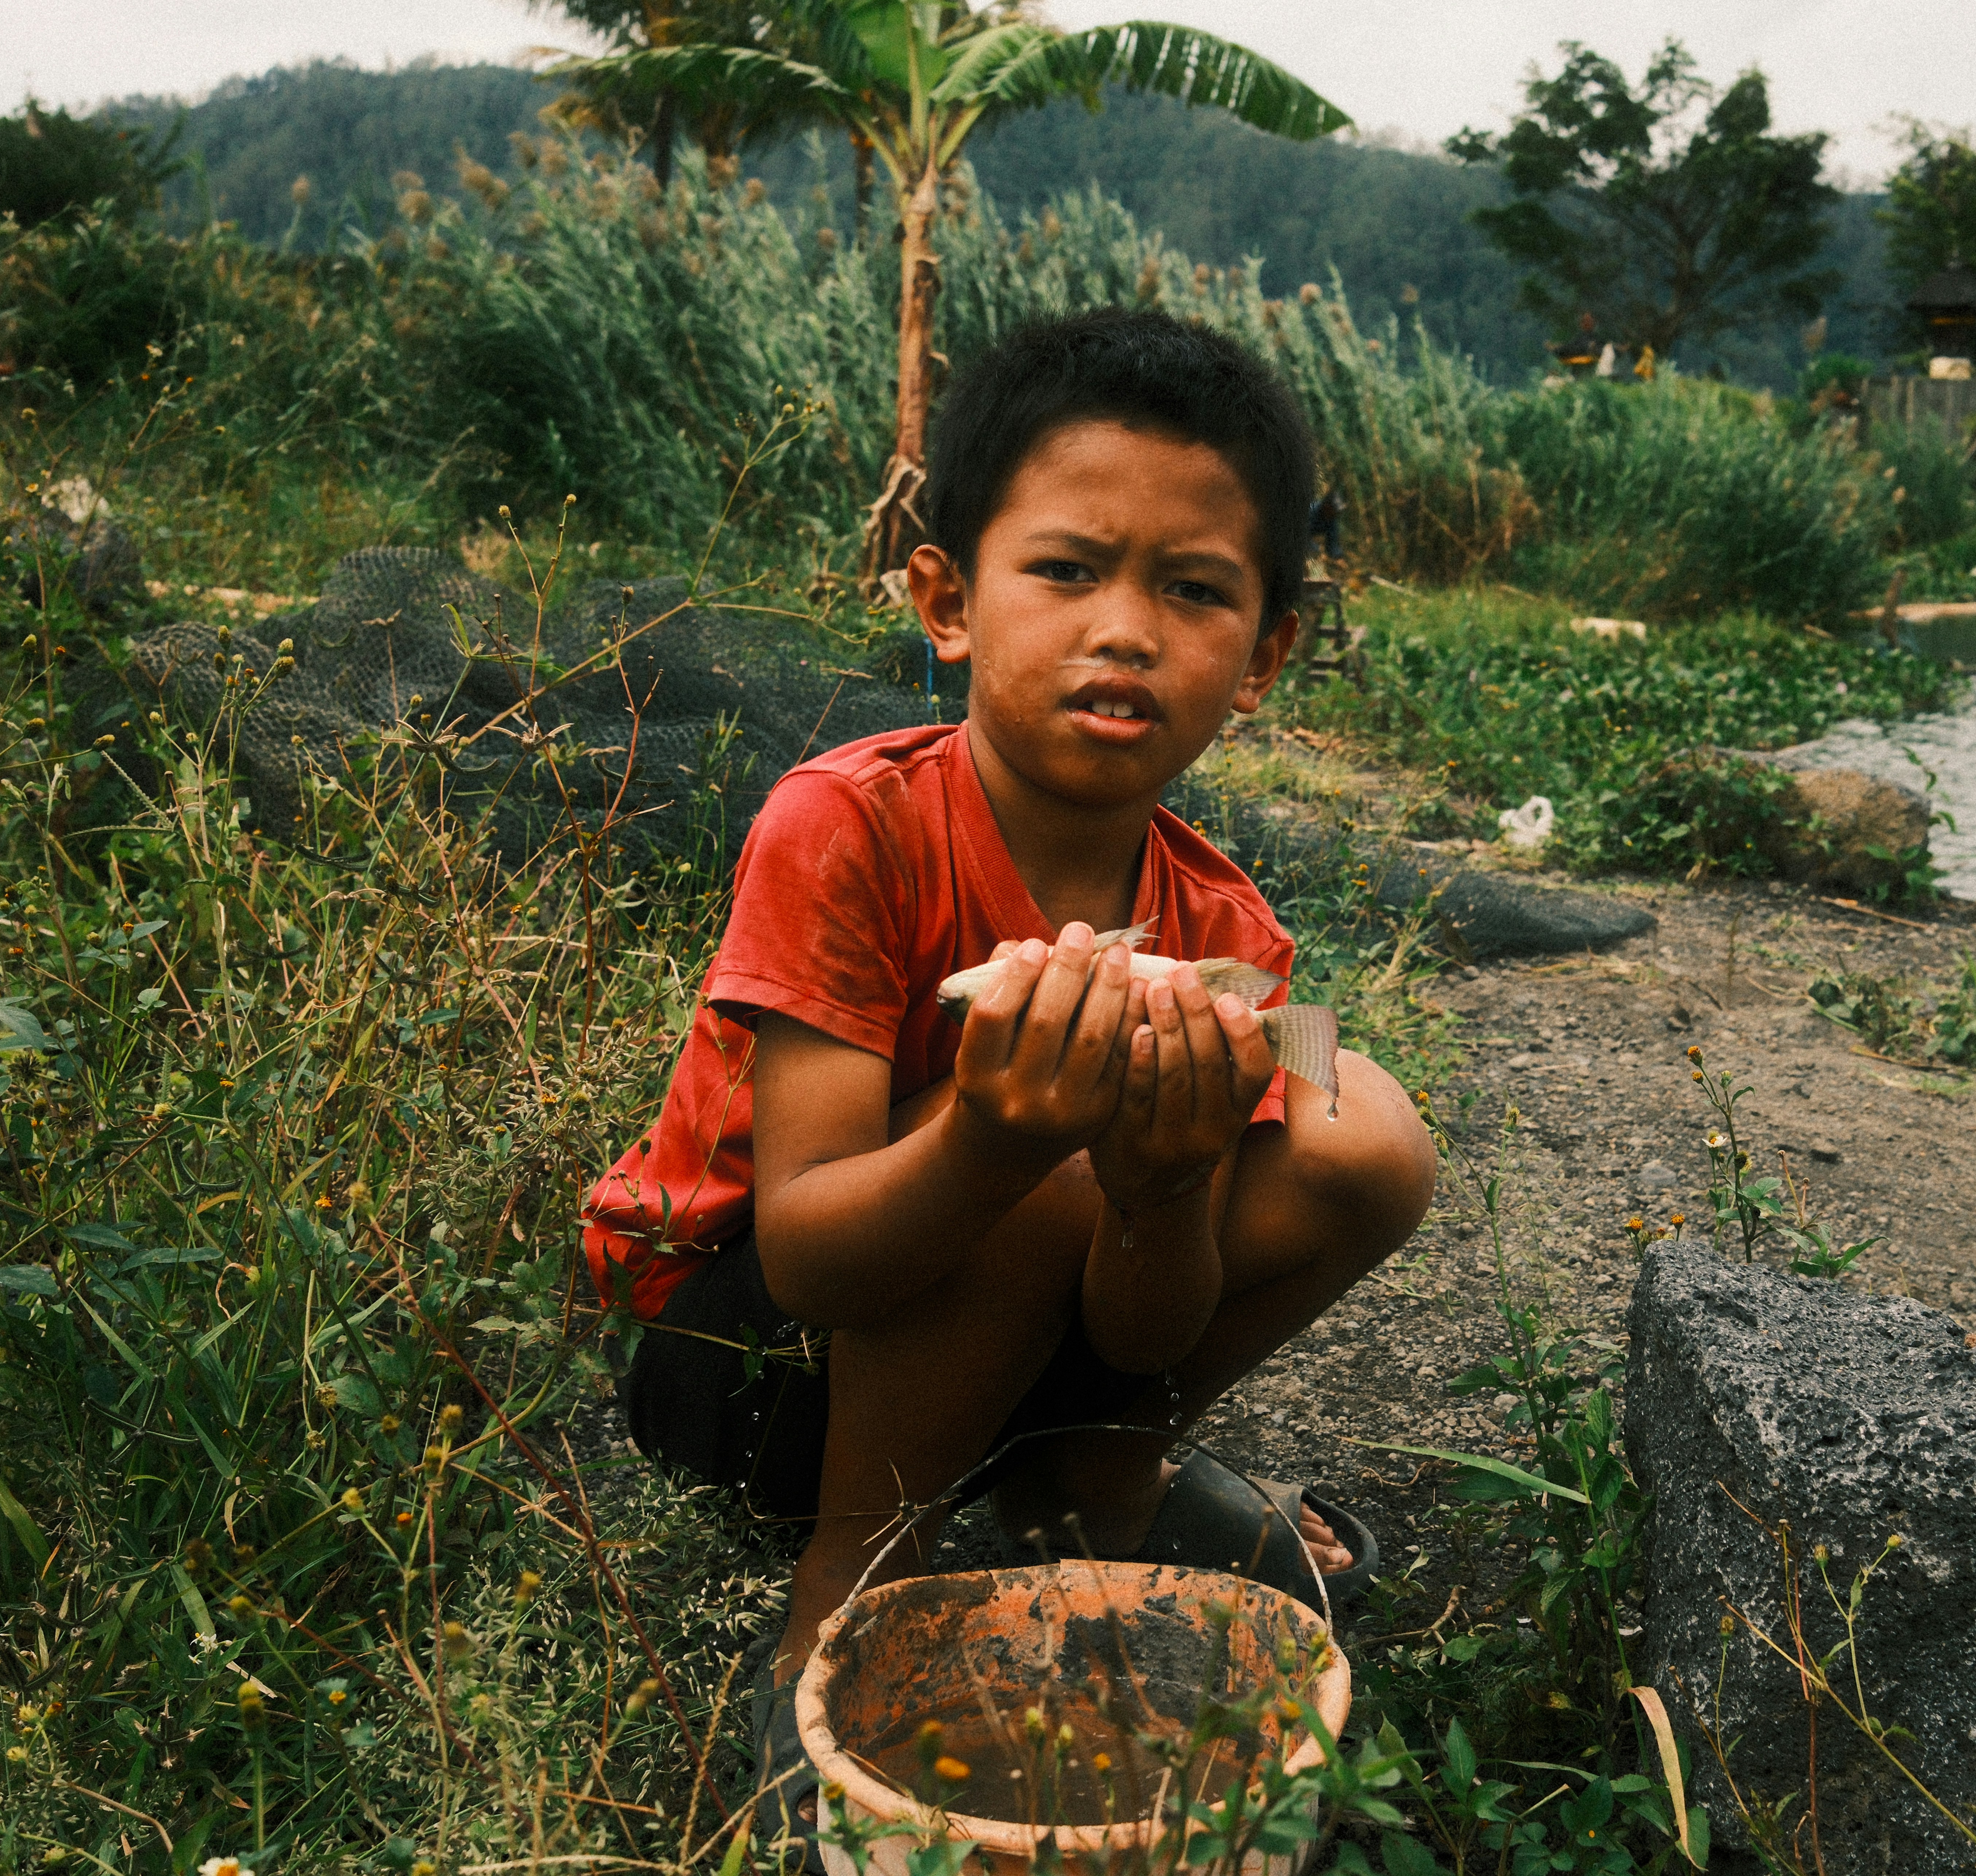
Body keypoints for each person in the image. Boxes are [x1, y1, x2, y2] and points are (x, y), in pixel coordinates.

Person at [578, 308, 1437, 1799]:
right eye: (1065, 570)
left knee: (1368, 1134)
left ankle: (1093, 1475)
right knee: (1052, 1124)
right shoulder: (844, 826)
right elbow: (811, 1258)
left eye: (1193, 590)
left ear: (1265, 656)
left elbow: (1161, 1309)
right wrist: (999, 1139)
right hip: (743, 1360)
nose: (1123, 629)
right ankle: (846, 1603)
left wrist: (1166, 1189)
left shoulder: (1231, 924)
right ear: (947, 597)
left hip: (1042, 1326)